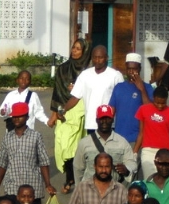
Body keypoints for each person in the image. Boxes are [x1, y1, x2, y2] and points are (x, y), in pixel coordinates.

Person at [48, 39, 91, 194]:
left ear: (85, 51)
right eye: (73, 47)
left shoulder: (89, 70)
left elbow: (94, 92)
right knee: (63, 145)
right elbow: (57, 92)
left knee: (74, 147)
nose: (74, 51)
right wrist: (54, 114)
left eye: (79, 49)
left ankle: (70, 179)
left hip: (79, 110)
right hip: (63, 111)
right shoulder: (63, 68)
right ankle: (71, 176)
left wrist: (80, 89)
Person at [0, 102, 57, 204]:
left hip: (33, 189)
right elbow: (2, 164)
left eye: (20, 116)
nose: (16, 119)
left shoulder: (36, 137)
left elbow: (43, 162)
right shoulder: (7, 138)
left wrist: (48, 184)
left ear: (27, 117)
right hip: (12, 188)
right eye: (14, 116)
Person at [61, 45, 124, 134]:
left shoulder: (115, 76)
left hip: (109, 123)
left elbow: (121, 100)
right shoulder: (85, 75)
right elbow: (75, 97)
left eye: (100, 57)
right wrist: (63, 110)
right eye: (95, 58)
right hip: (91, 123)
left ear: (106, 58)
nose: (97, 60)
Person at [73, 104, 136, 185]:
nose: (104, 121)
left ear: (112, 120)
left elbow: (132, 162)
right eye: (101, 119)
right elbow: (78, 168)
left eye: (108, 118)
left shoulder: (122, 142)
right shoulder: (84, 143)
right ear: (97, 120)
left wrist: (127, 169)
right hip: (90, 188)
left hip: (113, 189)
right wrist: (79, 189)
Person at [134, 86, 169, 178]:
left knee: (165, 179)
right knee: (149, 179)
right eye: (157, 102)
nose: (160, 106)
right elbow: (141, 133)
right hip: (148, 151)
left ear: (166, 99)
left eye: (163, 103)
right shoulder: (143, 109)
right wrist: (135, 152)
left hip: (165, 152)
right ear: (153, 98)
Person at [108, 53, 154, 143]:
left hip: (138, 140)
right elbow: (111, 112)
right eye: (129, 68)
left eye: (134, 69)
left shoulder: (147, 87)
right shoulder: (119, 87)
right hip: (118, 139)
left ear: (139, 69)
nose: (131, 72)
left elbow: (151, 112)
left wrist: (142, 90)